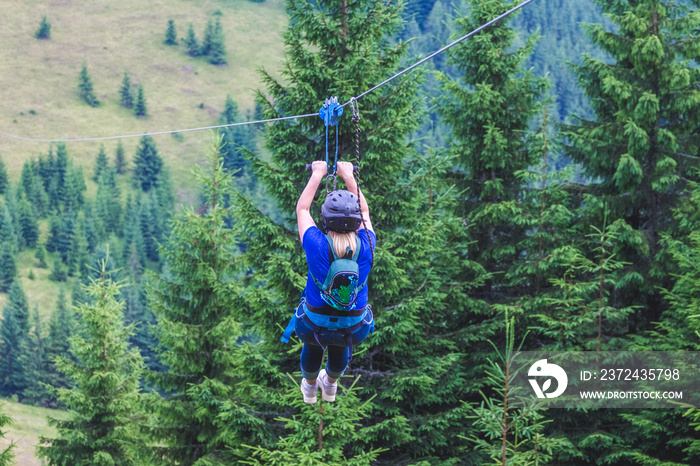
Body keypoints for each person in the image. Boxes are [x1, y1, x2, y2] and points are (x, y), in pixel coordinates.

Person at [281, 160, 376, 404]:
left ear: (324, 219)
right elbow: (365, 211)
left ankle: (310, 388)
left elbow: (302, 210)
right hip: (354, 327)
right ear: (357, 223)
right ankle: (331, 385)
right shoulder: (367, 246)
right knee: (340, 341)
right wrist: (348, 176)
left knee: (313, 344)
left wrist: (318, 174)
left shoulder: (316, 244)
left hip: (313, 322)